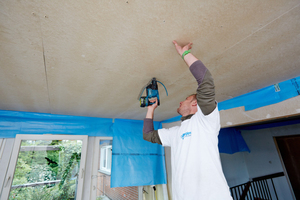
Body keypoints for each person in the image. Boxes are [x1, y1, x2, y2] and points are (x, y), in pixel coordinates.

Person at [143, 41, 233, 200]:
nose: (180, 102)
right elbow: (148, 135)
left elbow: (206, 82)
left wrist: (184, 54)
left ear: (194, 104)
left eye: (184, 99)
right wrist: (150, 110)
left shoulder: (205, 121)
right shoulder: (175, 133)